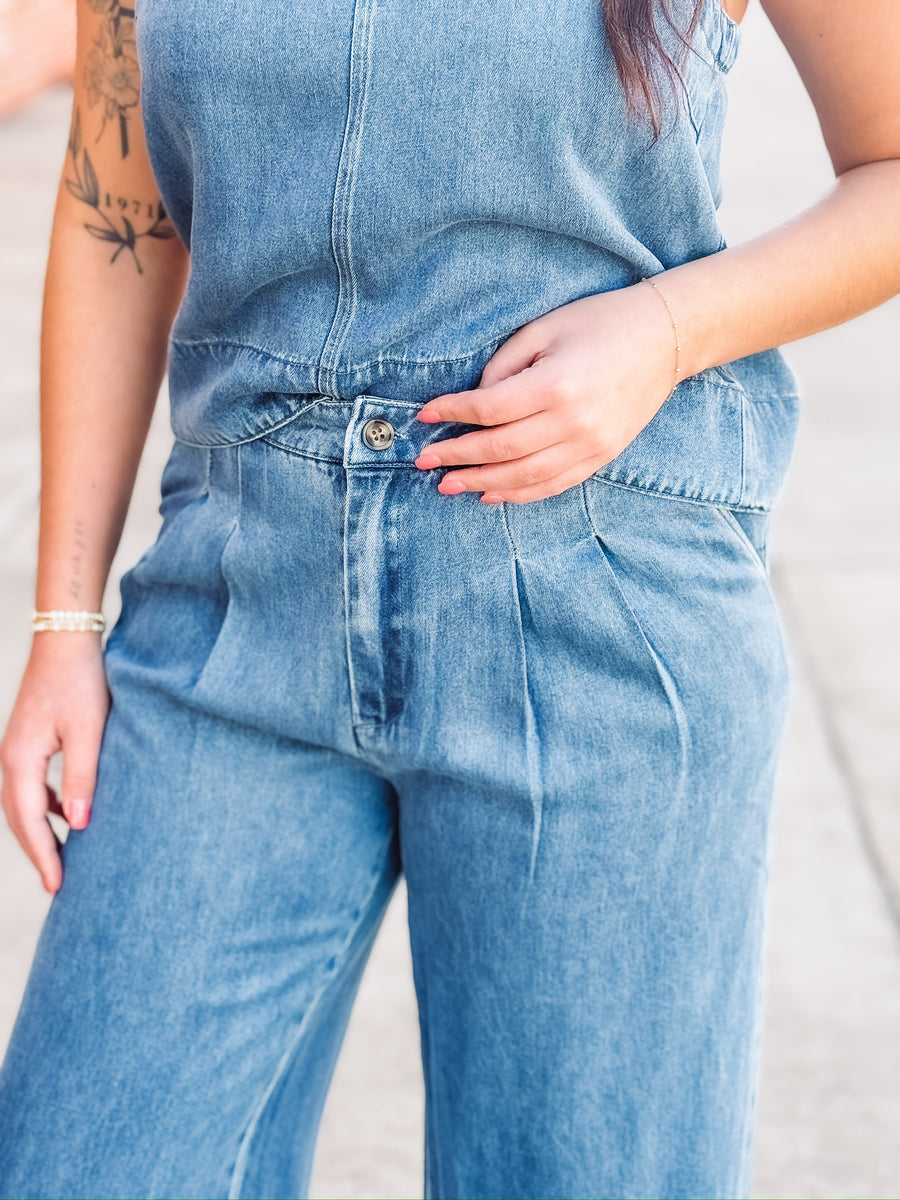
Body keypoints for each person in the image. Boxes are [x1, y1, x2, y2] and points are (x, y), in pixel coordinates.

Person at [0, 0, 898, 1196]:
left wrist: (665, 332)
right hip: (233, 600)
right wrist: (64, 622)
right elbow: (118, 212)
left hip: (599, 609)